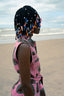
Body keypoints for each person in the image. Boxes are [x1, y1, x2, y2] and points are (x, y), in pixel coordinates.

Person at [11, 5, 46, 96]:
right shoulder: (24, 47)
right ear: (29, 22)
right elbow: (26, 85)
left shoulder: (29, 44)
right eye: (38, 21)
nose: (40, 24)